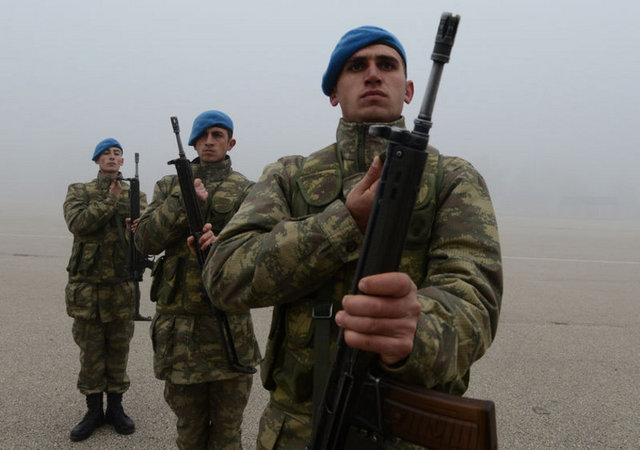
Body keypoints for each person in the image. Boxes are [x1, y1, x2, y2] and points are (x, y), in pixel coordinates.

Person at [203, 26, 503, 449]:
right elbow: (224, 275)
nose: (373, 74)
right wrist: (345, 224)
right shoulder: (289, 175)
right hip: (298, 431)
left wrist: (416, 331)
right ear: (333, 93)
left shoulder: (452, 179)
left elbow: (475, 298)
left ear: (409, 90)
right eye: (357, 66)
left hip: (405, 429)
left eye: (387, 65)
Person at [135, 110, 260, 449]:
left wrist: (224, 244)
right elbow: (145, 240)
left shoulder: (247, 189)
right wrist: (183, 200)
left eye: (217, 135)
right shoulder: (168, 185)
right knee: (189, 430)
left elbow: (260, 246)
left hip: (228, 327)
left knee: (228, 432)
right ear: (191, 142)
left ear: (230, 143)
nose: (208, 141)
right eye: (202, 135)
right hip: (180, 330)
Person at [63, 138, 146, 442]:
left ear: (122, 161)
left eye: (117, 153)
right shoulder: (79, 191)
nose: (112, 157)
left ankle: (116, 408)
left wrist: (136, 228)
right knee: (91, 353)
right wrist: (110, 200)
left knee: (118, 351)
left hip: (121, 288)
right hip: (87, 289)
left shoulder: (136, 195)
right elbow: (78, 223)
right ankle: (93, 410)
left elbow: (145, 235)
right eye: (106, 153)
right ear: (97, 160)